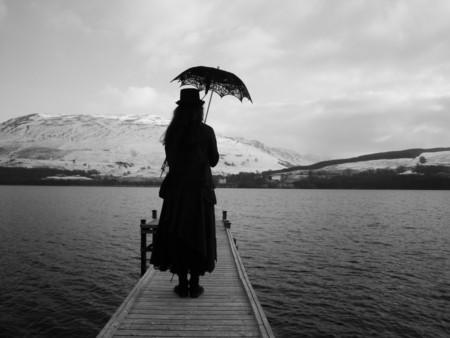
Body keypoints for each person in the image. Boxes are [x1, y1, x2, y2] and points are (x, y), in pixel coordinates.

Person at [150, 88, 219, 298]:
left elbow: (173, 162)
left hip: (177, 193)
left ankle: (181, 285)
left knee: (178, 234)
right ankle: (195, 286)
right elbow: (214, 161)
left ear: (179, 110)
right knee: (198, 233)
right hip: (200, 193)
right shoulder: (207, 131)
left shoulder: (172, 133)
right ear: (199, 109)